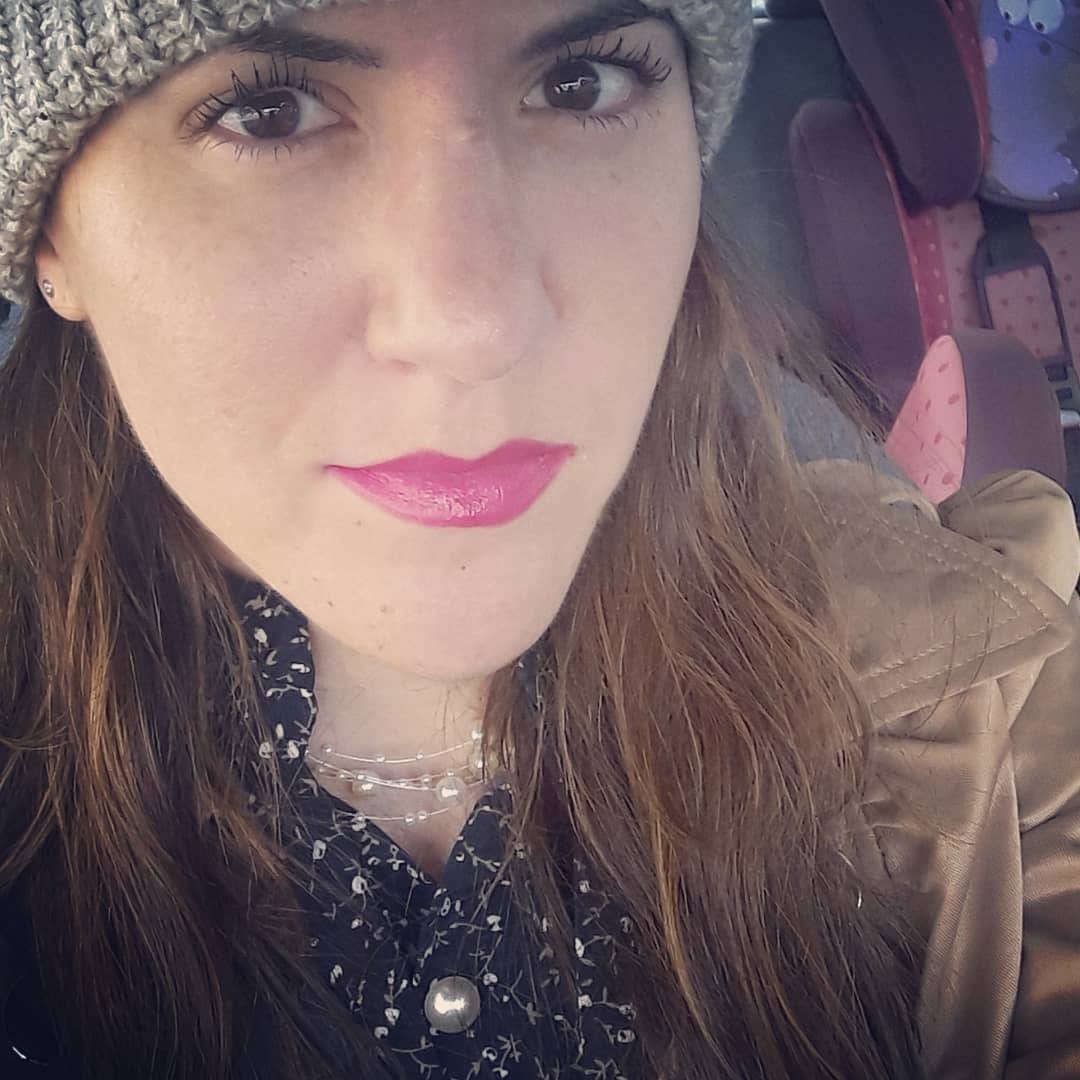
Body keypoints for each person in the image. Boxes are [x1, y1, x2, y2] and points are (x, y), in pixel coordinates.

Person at [0, 1, 1077, 1077]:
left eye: (579, 84)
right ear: (55, 234)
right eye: (269, 112)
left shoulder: (972, 681)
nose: (475, 324)